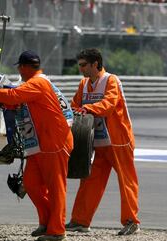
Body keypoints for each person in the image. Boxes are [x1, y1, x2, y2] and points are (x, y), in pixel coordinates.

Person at [0, 50, 73, 241]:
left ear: (23, 67)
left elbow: (15, 95)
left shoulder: (38, 83)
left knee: (56, 188)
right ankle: (47, 222)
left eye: (19, 67)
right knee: (31, 184)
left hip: (54, 142)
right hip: (40, 143)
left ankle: (57, 230)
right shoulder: (37, 83)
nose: (19, 71)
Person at [66, 48, 140, 235]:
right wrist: (77, 110)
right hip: (98, 143)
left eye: (84, 65)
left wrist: (87, 109)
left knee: (127, 182)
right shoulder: (83, 84)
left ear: (95, 64)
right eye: (80, 65)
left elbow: (109, 104)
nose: (81, 69)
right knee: (89, 181)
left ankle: (132, 221)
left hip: (119, 141)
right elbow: (74, 105)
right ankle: (80, 221)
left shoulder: (111, 80)